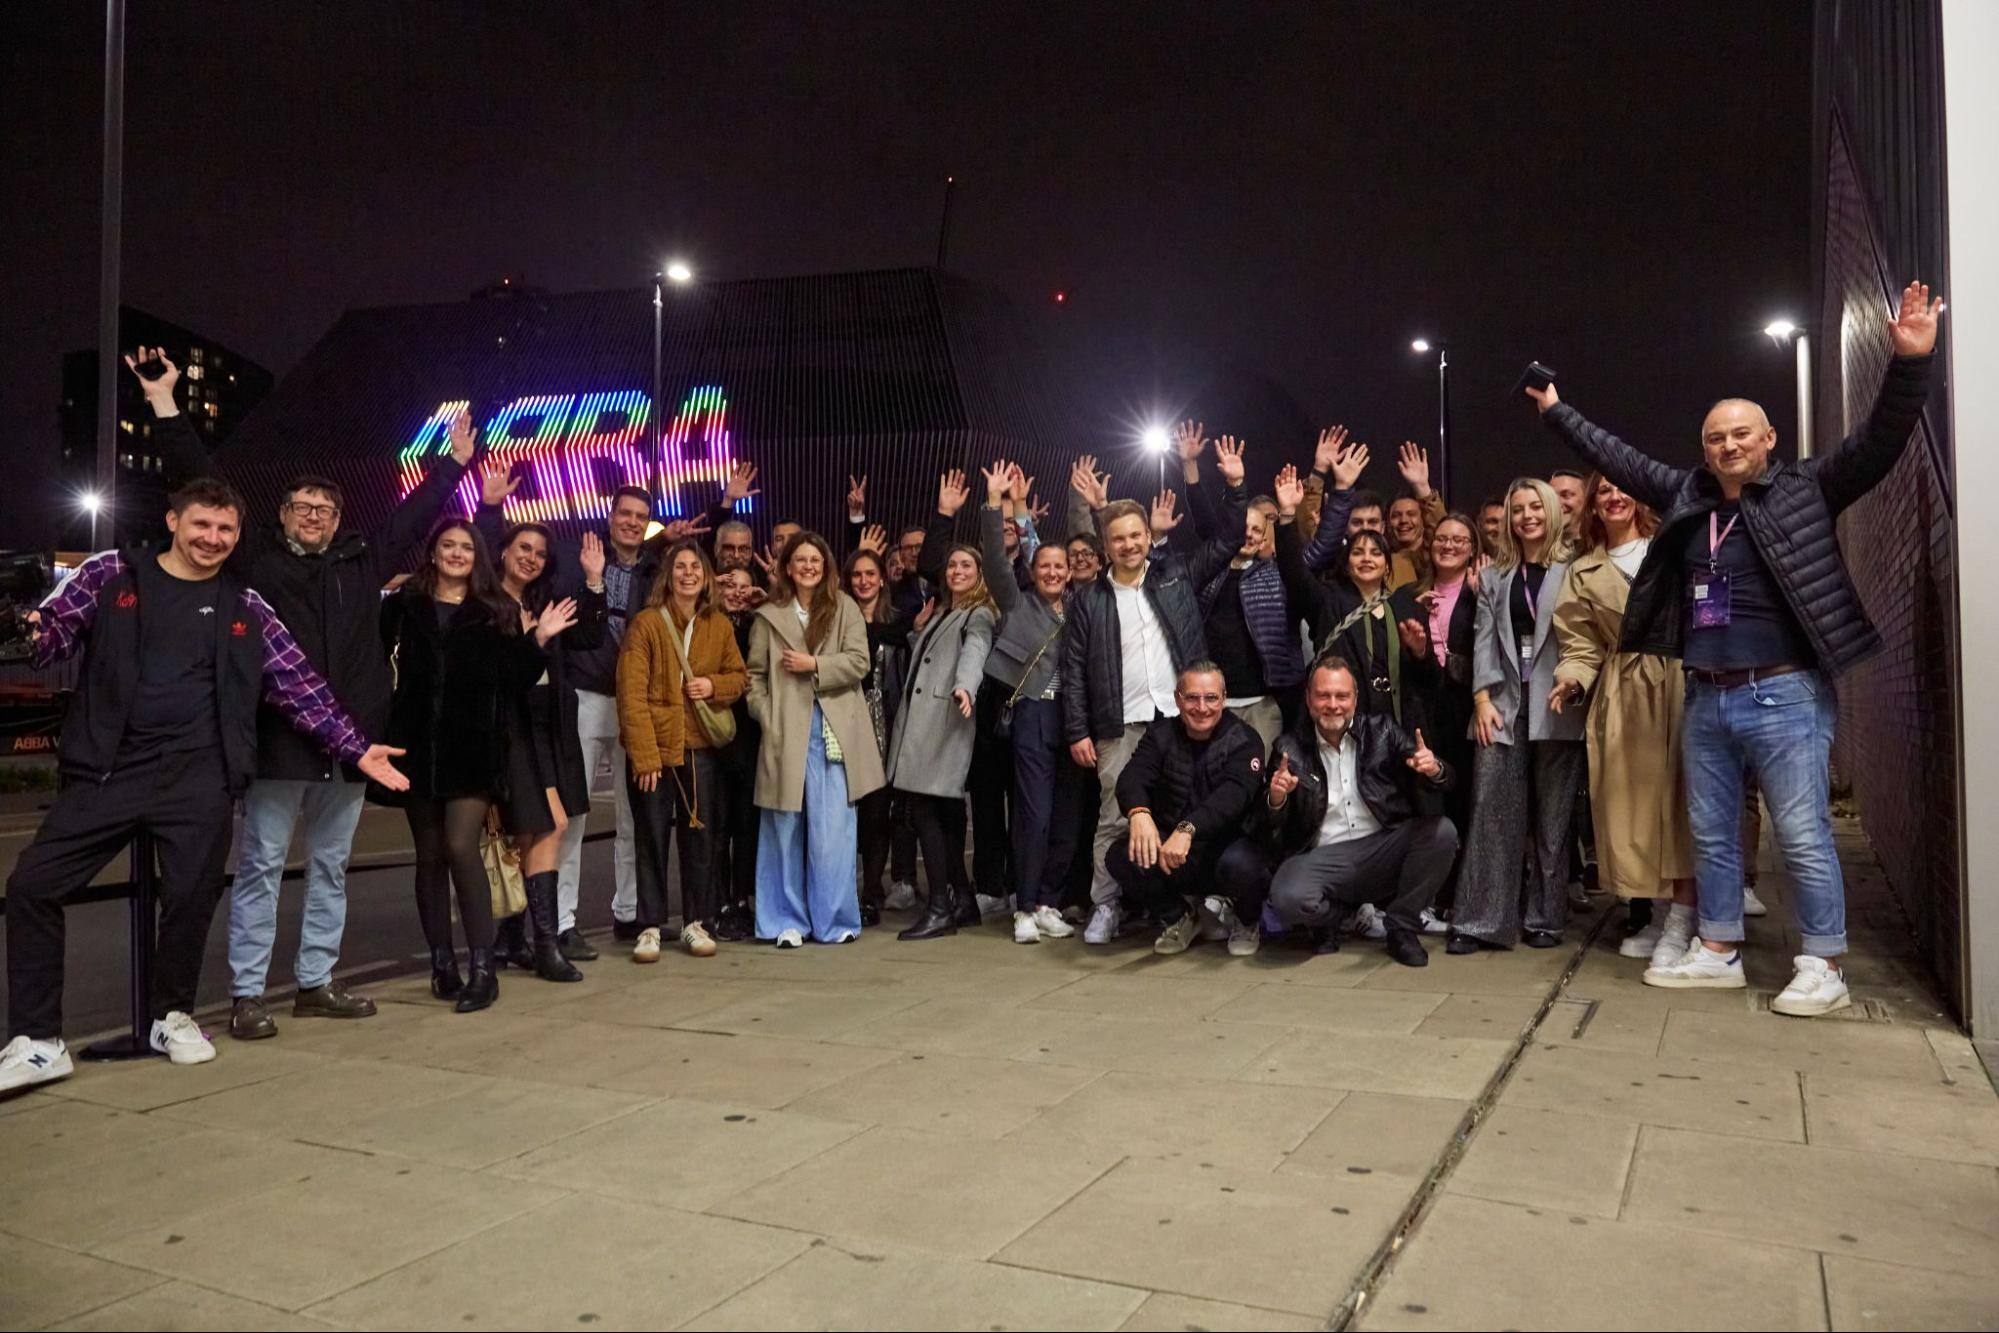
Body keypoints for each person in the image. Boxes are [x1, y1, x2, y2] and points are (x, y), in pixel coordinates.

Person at [1527, 279, 1941, 1014]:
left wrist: (1908, 362)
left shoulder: (1808, 486)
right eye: (1714, 436)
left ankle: (1823, 963)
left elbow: (1878, 442)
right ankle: (1716, 946)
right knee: (1711, 831)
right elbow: (1617, 457)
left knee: (1802, 830)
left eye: (1740, 434)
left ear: (1768, 439)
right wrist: (1557, 412)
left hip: (1782, 690)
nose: (1726, 445)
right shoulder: (1686, 494)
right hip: (1706, 691)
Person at [0, 479, 410, 1093]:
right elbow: (48, 636)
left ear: (238, 535)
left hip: (200, 779)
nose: (212, 539)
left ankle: (171, 1016)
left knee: (191, 902)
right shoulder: (112, 574)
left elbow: (299, 687)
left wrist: (355, 747)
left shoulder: (246, 605)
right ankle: (38, 1040)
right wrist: (25, 627)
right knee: (32, 886)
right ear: (172, 521)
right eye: (201, 525)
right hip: (108, 771)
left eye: (224, 530)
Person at [126, 347, 461, 1041]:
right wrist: (163, 404)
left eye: (325, 507)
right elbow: (202, 480)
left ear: (339, 519)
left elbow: (414, 515)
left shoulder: (363, 560)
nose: (314, 515)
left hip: (350, 746)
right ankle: (249, 993)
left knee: (332, 867)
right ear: (279, 517)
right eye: (303, 506)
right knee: (260, 867)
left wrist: (452, 467)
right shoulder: (255, 564)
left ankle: (315, 981)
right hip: (279, 743)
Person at [381, 519, 572, 1012]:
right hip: (416, 748)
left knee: (460, 845)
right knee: (428, 856)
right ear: (433, 551)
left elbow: (514, 678)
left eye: (467, 547)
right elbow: (380, 662)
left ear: (479, 556)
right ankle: (441, 963)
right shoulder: (404, 605)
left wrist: (539, 641)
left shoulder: (494, 610)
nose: (457, 553)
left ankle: (483, 968)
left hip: (473, 750)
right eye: (448, 544)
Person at [1063, 459, 1240, 944]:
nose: (1129, 544)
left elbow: (1228, 541)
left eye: (1136, 535)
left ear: (1147, 535)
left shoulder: (1176, 574)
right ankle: (1106, 905)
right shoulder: (1087, 600)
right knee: (1114, 817)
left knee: (1186, 809)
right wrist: (1078, 729)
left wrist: (1234, 485)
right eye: (1118, 538)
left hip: (1180, 718)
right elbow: (1074, 668)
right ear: (1106, 545)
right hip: (1119, 724)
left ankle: (1188, 901)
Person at [1549, 473, 1694, 964]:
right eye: (1603, 492)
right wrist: (1571, 679)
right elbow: (1580, 641)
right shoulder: (1583, 569)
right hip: (1624, 688)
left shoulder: (1670, 548)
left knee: (1683, 798)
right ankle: (1650, 911)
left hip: (1681, 678)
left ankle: (1686, 914)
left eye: (1620, 488)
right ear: (1593, 505)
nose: (1613, 497)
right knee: (1630, 803)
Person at [1231, 655, 1456, 967]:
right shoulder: (1289, 748)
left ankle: (1401, 927)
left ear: (1355, 698)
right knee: (1286, 898)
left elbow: (1440, 780)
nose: (1333, 704)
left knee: (1441, 832)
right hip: (1327, 858)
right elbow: (1267, 828)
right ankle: (1340, 918)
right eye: (1323, 695)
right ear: (1309, 699)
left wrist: (1433, 769)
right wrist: (1277, 798)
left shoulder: (1383, 731)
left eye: (1341, 696)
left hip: (1381, 847)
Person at [1448, 478, 1585, 954]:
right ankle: (1480, 921)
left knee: (1553, 818)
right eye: (1517, 509)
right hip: (1502, 705)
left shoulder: (1575, 569)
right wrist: (1482, 700)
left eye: (1535, 507)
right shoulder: (1493, 576)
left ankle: (1545, 918)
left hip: (1558, 704)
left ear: (1550, 511)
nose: (1526, 516)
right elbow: (1483, 640)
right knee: (1490, 812)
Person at [482, 515, 609, 984]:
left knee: (538, 827)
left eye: (539, 553)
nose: (531, 558)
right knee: (546, 824)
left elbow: (591, 637)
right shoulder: (485, 604)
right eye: (523, 548)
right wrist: (535, 639)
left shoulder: (541, 601)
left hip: (548, 725)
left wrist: (595, 582)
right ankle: (544, 944)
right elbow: (497, 671)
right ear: (503, 551)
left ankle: (515, 937)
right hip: (508, 729)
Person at [745, 531, 884, 946]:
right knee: (782, 827)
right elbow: (754, 677)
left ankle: (836, 920)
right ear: (788, 566)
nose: (808, 566)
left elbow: (860, 662)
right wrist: (767, 717)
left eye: (816, 561)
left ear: (825, 568)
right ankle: (784, 921)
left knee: (835, 831)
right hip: (786, 731)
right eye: (800, 560)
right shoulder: (768, 615)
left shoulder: (844, 608)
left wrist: (814, 664)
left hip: (834, 731)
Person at [618, 540, 746, 962]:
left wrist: (713, 686)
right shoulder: (646, 624)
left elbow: (739, 678)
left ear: (706, 576)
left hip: (700, 751)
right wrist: (645, 755)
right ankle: (650, 926)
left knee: (701, 841)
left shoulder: (719, 624)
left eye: (696, 567)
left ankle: (697, 922)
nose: (688, 573)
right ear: (668, 576)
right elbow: (631, 694)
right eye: (680, 567)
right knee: (650, 838)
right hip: (656, 750)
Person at [973, 462, 1080, 943]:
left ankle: (1049, 902)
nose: (1053, 572)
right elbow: (997, 559)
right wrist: (997, 505)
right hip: (1033, 714)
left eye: (1061, 566)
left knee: (1065, 816)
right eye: (1045, 567)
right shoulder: (1018, 603)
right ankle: (1024, 905)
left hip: (1074, 719)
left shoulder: (1083, 607)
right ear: (1033, 572)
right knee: (1032, 815)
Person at [894, 472, 1000, 939]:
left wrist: (966, 688)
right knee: (946, 817)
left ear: (979, 577)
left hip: (945, 724)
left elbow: (975, 651)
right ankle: (961, 900)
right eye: (952, 566)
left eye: (966, 567)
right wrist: (920, 633)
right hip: (931, 726)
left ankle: (939, 907)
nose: (956, 571)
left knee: (925, 813)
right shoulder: (942, 612)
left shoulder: (978, 614)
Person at [1105, 663, 1266, 954]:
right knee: (1120, 855)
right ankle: (1181, 917)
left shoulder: (1245, 740)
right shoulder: (1160, 735)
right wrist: (1139, 813)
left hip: (1227, 850)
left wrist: (1187, 828)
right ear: (1178, 699)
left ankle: (1246, 921)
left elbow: (1233, 796)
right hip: (1176, 854)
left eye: (1211, 698)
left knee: (1244, 865)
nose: (1201, 707)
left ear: (1224, 698)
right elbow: (1132, 777)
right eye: (1192, 698)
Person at [1174, 429, 1301, 749]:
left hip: (1261, 703)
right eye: (1243, 528)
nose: (1249, 535)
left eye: (1257, 529)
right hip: (1211, 705)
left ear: (1263, 536)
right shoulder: (1208, 573)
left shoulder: (1276, 575)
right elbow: (1205, 520)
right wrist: (1191, 467)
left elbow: (1312, 557)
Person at [1410, 513, 1483, 920]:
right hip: (1423, 710)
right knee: (1427, 801)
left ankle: (1461, 894)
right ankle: (1429, 890)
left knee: (1465, 800)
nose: (1449, 545)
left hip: (1465, 708)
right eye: (1441, 538)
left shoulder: (1478, 592)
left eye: (1459, 539)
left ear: (1472, 548)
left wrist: (1483, 596)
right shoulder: (1411, 593)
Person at [842, 543, 916, 925]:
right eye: (856, 574)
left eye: (870, 574)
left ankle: (871, 889)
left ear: (882, 579)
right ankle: (840, 889)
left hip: (884, 729)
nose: (863, 581)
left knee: (876, 816)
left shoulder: (900, 621)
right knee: (842, 814)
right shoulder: (836, 620)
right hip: (842, 727)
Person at [711, 566, 765, 938]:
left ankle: (742, 899)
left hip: (750, 735)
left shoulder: (758, 624)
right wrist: (708, 594)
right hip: (714, 732)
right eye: (730, 584)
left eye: (745, 586)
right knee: (717, 825)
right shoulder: (706, 623)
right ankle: (717, 901)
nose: (738, 592)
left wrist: (768, 603)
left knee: (747, 824)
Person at [1549, 469, 1588, 535]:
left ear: (1587, 499)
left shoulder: (1606, 542)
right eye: (1551, 497)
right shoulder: (1535, 543)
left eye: (1565, 495)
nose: (1556, 503)